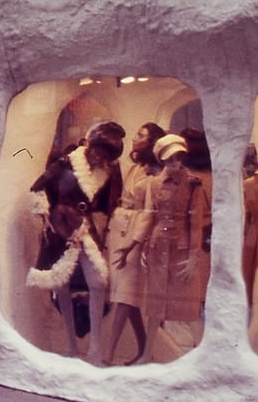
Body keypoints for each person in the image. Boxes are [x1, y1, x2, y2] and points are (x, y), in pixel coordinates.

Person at [27, 120, 125, 364]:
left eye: (104, 155)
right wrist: (45, 215)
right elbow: (37, 188)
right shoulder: (65, 163)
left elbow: (108, 204)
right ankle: (71, 344)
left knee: (97, 282)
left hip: (87, 228)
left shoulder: (107, 173)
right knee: (61, 285)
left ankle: (95, 349)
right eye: (97, 151)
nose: (98, 158)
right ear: (90, 146)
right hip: (61, 228)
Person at [113, 132, 207, 362]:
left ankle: (203, 354)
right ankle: (146, 354)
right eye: (171, 159)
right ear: (162, 160)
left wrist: (194, 256)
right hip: (157, 248)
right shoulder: (153, 184)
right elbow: (148, 217)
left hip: (182, 250)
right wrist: (133, 246)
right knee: (155, 305)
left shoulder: (193, 183)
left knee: (188, 306)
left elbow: (195, 223)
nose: (177, 163)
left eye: (179, 158)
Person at [104, 121, 165, 364]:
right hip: (120, 225)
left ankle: (108, 352)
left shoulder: (156, 171)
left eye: (140, 135)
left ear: (151, 142)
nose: (134, 138)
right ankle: (144, 350)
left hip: (136, 230)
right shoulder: (134, 167)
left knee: (125, 293)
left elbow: (151, 209)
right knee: (125, 293)